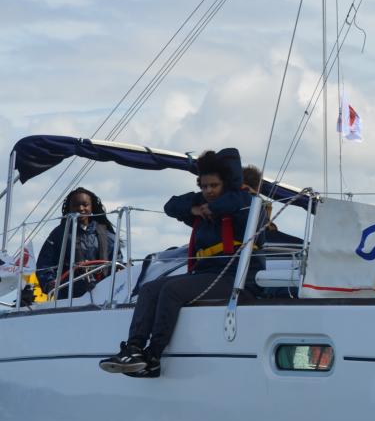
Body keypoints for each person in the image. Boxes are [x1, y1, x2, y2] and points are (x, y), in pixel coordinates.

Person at [99, 148, 256, 378]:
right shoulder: (202, 204)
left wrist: (211, 207)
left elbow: (237, 199)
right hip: (205, 274)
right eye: (204, 186)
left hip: (232, 277)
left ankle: (153, 356)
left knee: (172, 290)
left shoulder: (243, 203)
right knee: (149, 289)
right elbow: (171, 206)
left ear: (226, 184)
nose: (208, 191)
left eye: (214, 185)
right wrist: (194, 208)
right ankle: (134, 349)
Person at [35, 187, 119, 298]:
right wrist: (50, 284)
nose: (80, 208)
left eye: (85, 205)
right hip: (69, 296)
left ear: (92, 207)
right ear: (69, 208)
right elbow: (45, 264)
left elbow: (117, 261)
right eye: (76, 205)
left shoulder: (107, 235)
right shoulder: (59, 234)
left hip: (104, 294)